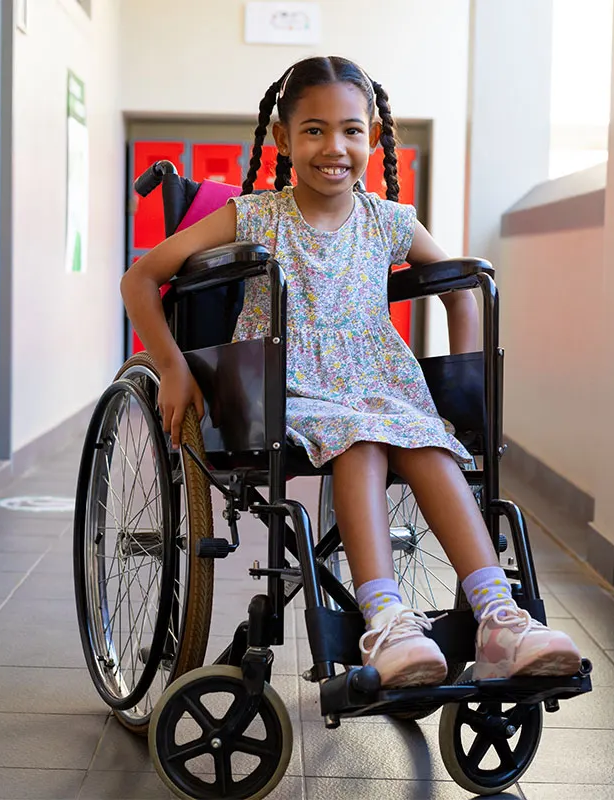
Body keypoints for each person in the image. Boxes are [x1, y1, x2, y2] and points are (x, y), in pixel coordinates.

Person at [120, 55, 581, 688]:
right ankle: (386, 621)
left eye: (351, 131)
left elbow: (458, 287)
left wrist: (465, 378)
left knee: (425, 442)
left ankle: (499, 616)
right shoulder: (255, 216)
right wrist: (172, 367)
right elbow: (141, 277)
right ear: (283, 139)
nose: (333, 147)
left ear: (371, 136)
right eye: (313, 130)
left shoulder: (389, 221)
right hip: (282, 384)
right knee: (362, 440)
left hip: (377, 382)